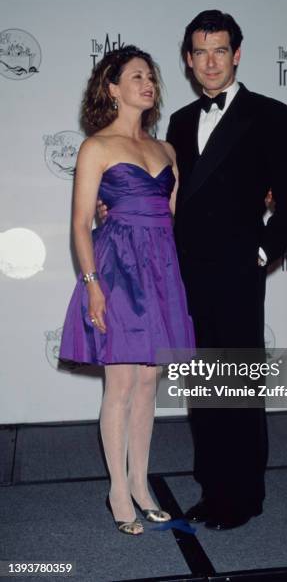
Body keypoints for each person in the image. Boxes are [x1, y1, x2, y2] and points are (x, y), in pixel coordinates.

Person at [98, 10, 287, 531]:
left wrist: (260, 255)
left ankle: (243, 495)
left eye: (220, 50)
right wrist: (116, 207)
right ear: (189, 61)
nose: (210, 61)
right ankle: (214, 488)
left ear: (236, 54)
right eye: (199, 52)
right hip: (183, 272)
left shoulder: (270, 113)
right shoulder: (181, 121)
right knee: (202, 389)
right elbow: (168, 197)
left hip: (237, 272)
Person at [60, 45, 195, 535]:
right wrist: (93, 285)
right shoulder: (95, 147)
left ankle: (142, 483)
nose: (148, 83)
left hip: (160, 271)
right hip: (116, 271)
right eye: (136, 76)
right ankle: (118, 489)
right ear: (112, 88)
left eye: (151, 77)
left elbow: (172, 220)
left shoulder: (166, 151)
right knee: (119, 384)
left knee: (146, 385)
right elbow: (80, 225)